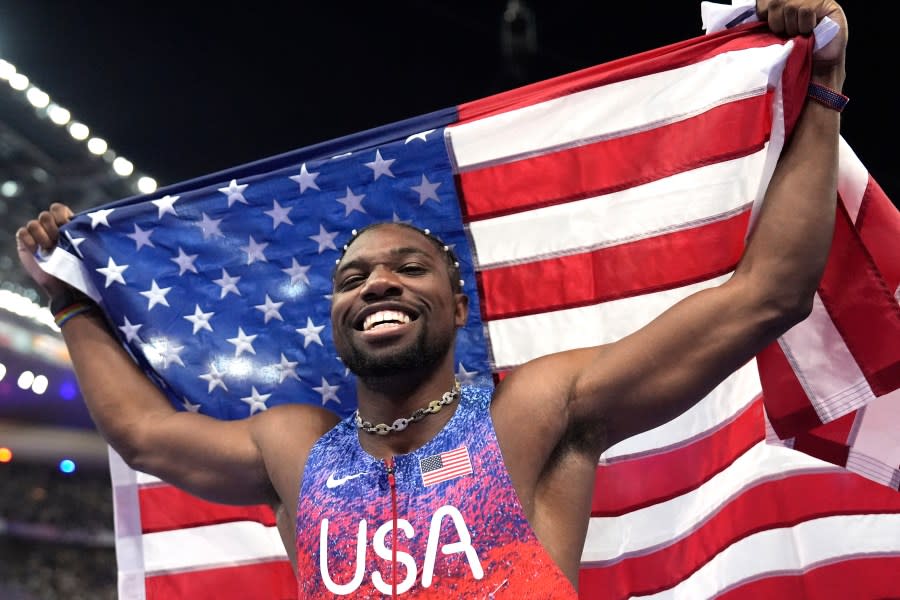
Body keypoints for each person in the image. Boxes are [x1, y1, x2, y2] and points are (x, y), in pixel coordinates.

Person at [16, 0, 848, 597]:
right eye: (353, 278)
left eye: (409, 269)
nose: (377, 282)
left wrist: (820, 94)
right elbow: (144, 434)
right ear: (336, 320)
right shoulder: (294, 451)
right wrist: (71, 304)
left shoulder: (535, 413)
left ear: (457, 305)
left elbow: (766, 296)